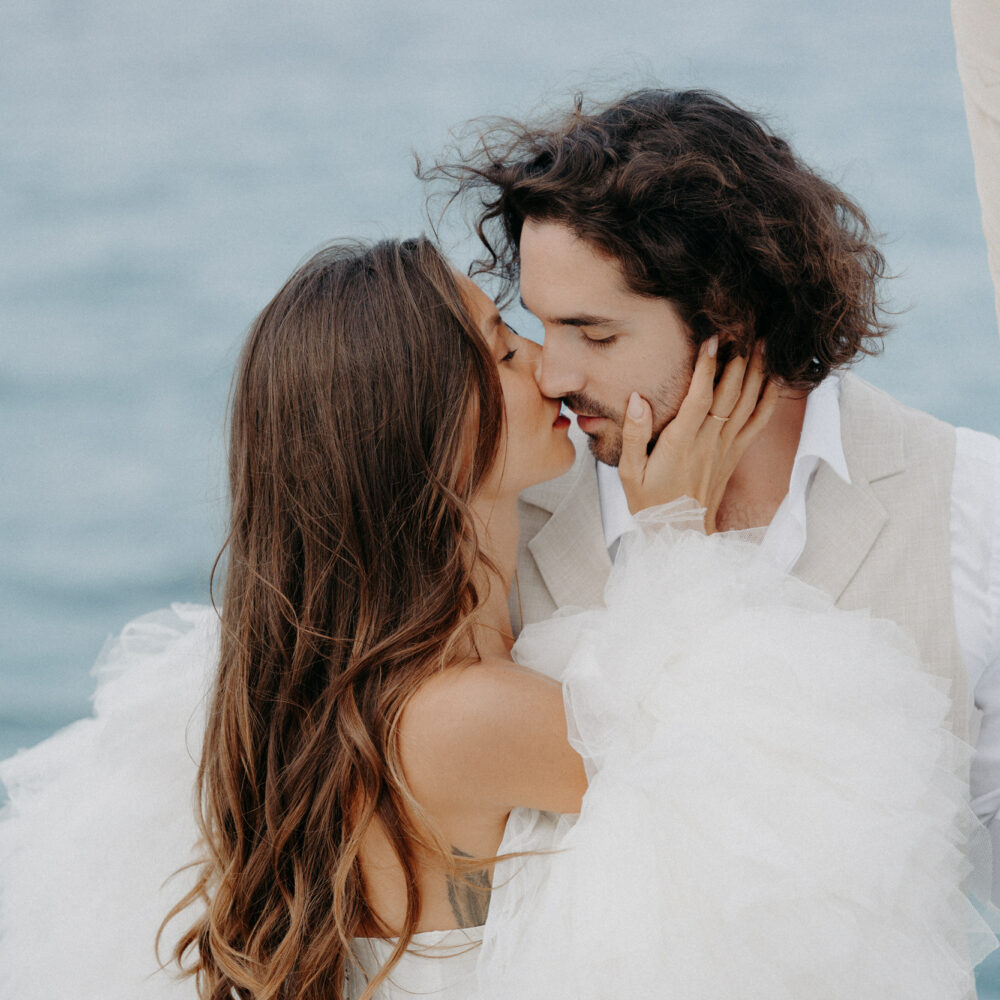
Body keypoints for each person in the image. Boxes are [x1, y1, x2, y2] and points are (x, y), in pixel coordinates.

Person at [0, 236, 990, 1000]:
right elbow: (765, 798)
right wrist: (671, 534)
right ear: (429, 427)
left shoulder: (425, 668)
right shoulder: (456, 714)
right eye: (504, 348)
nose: (548, 372)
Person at [432, 88, 1000, 879]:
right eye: (540, 324)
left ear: (730, 319)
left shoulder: (972, 506)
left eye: (595, 334)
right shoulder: (504, 520)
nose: (552, 376)